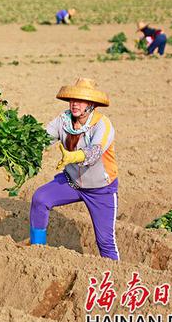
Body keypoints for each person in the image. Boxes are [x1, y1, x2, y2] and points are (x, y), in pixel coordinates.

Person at [29, 78, 119, 261]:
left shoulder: (103, 124)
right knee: (40, 198)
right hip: (72, 182)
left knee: (105, 242)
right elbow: (42, 139)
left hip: (100, 189)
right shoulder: (63, 121)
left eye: (80, 100)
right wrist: (22, 143)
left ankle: (113, 279)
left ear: (91, 104)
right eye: (72, 99)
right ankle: (37, 251)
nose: (74, 103)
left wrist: (73, 156)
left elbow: (95, 151)